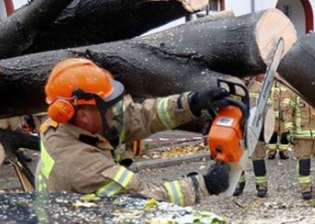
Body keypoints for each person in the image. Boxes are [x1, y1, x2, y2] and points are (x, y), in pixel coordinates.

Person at [35, 57, 230, 205]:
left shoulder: (65, 124)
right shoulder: (84, 166)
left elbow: (139, 118)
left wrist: (192, 103)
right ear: (84, 114)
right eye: (108, 106)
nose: (114, 112)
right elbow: (141, 201)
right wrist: (203, 185)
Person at [265, 79, 291, 160]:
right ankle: (271, 152)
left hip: (285, 116)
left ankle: (283, 152)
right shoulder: (271, 84)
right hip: (273, 116)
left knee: (285, 135)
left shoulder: (288, 85)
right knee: (273, 135)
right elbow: (267, 97)